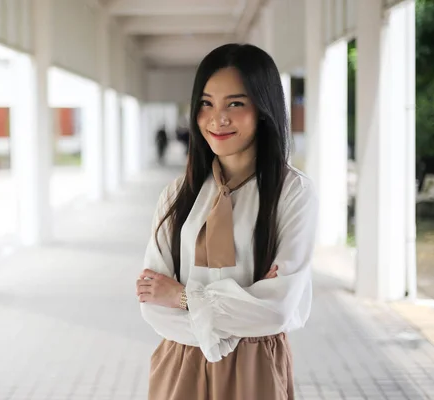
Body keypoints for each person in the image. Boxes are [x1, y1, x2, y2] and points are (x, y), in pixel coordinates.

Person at [135, 43, 318, 399]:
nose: (218, 118)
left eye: (235, 103)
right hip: (180, 363)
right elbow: (153, 303)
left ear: (262, 108)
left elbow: (277, 309)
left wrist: (184, 297)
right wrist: (243, 310)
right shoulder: (178, 195)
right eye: (206, 103)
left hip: (255, 366)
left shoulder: (292, 193)